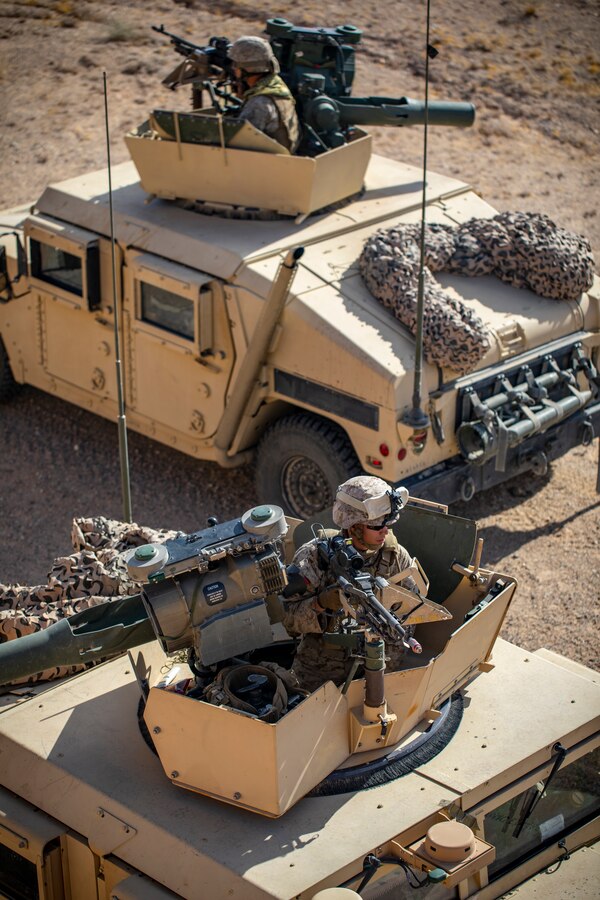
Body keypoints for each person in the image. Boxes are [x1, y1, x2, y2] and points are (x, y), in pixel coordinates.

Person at [282, 475, 421, 692]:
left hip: (379, 661)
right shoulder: (314, 557)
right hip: (322, 663)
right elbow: (289, 621)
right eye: (376, 526)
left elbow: (412, 611)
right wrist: (321, 603)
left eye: (388, 524)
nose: (385, 531)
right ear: (354, 526)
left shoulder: (395, 556)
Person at [228, 36, 300, 153]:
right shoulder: (276, 85)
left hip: (269, 163)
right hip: (284, 157)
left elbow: (239, 143)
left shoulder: (259, 103)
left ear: (246, 68)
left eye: (235, 65)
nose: (233, 69)